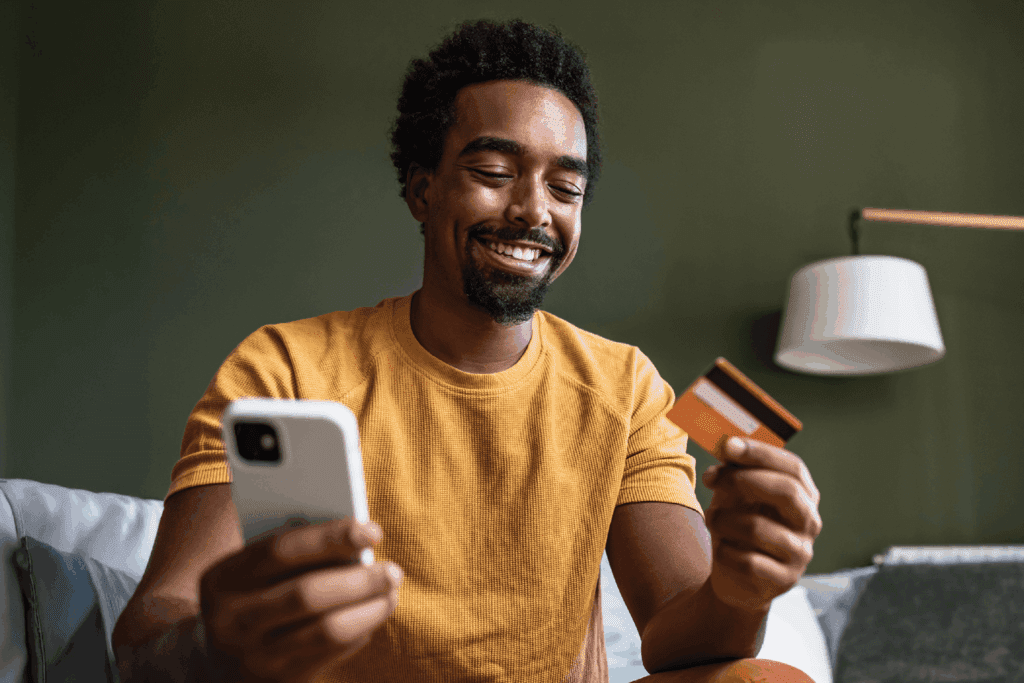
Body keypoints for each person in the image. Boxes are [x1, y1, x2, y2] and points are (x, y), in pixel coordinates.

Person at [112, 18, 822, 683]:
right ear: (424, 190)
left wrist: (742, 589)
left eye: (565, 186)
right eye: (494, 172)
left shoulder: (624, 384)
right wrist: (215, 639)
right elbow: (149, 631)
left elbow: (676, 629)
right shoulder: (286, 367)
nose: (534, 210)